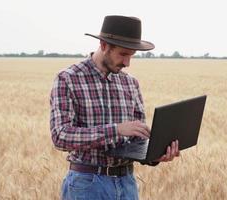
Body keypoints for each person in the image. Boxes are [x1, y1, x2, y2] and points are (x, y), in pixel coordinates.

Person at [50, 15, 180, 200]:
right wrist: (116, 130)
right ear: (104, 45)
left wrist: (154, 155)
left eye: (131, 55)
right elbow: (60, 136)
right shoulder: (68, 79)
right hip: (87, 184)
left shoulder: (130, 83)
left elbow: (137, 139)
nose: (127, 63)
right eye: (123, 54)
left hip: (127, 184)